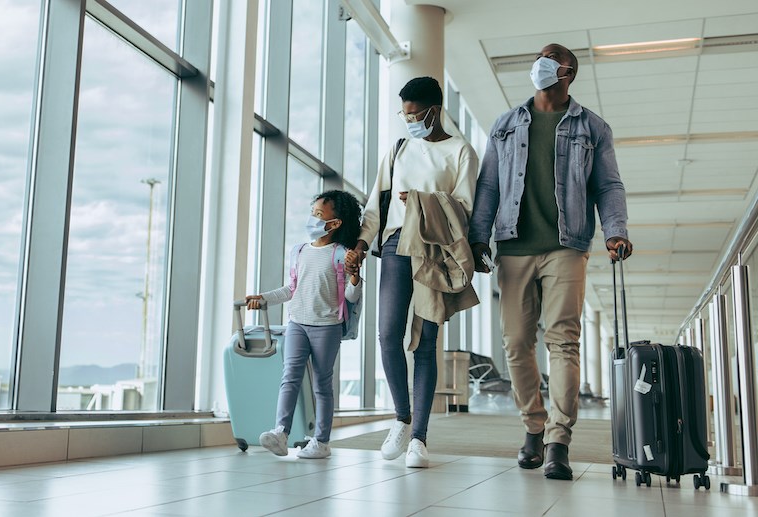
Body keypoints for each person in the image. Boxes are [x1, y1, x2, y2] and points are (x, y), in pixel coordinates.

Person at [468, 43, 633, 480]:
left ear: (567, 73)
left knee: (563, 340)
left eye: (548, 61)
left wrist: (616, 230)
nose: (537, 66)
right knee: (517, 343)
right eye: (537, 59)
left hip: (567, 245)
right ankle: (533, 427)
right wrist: (476, 237)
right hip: (514, 247)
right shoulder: (505, 123)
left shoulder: (592, 127)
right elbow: (488, 186)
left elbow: (609, 185)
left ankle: (559, 438)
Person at [347, 77, 478, 468]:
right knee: (388, 333)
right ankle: (401, 418)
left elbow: (466, 210)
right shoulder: (400, 148)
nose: (408, 121)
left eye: (413, 114)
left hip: (433, 252)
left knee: (425, 342)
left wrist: (423, 203)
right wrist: (360, 244)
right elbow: (376, 204)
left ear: (433, 111)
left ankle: (419, 437)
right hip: (393, 246)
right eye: (403, 114)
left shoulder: (461, 152)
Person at [248, 190, 363, 459]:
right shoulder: (299, 251)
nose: (312, 220)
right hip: (297, 323)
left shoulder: (341, 255)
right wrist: (263, 298)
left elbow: (350, 297)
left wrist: (356, 279)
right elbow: (292, 289)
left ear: (334, 224)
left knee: (322, 384)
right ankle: (281, 432)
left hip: (327, 326)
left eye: (318, 215)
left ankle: (321, 442)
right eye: (312, 214)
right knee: (289, 377)